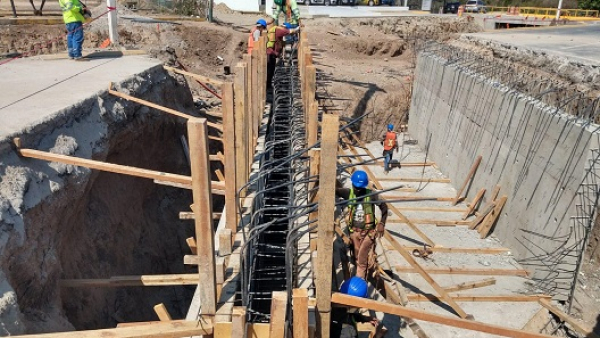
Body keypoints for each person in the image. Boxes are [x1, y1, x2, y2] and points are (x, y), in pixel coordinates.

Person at [337, 170, 388, 279]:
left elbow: (384, 207)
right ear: (352, 184)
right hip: (354, 233)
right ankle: (365, 273)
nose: (358, 190)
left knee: (361, 259)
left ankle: (360, 281)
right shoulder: (348, 193)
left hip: (369, 233)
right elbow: (335, 190)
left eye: (360, 188)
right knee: (357, 255)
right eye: (356, 187)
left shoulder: (372, 196)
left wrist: (382, 223)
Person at [266, 18, 299, 90]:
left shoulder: (276, 29)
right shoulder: (280, 30)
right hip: (270, 53)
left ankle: (268, 86)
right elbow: (291, 31)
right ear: (284, 27)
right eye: (286, 29)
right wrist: (299, 28)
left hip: (271, 53)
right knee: (269, 70)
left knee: (271, 70)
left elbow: (281, 42)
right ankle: (267, 87)